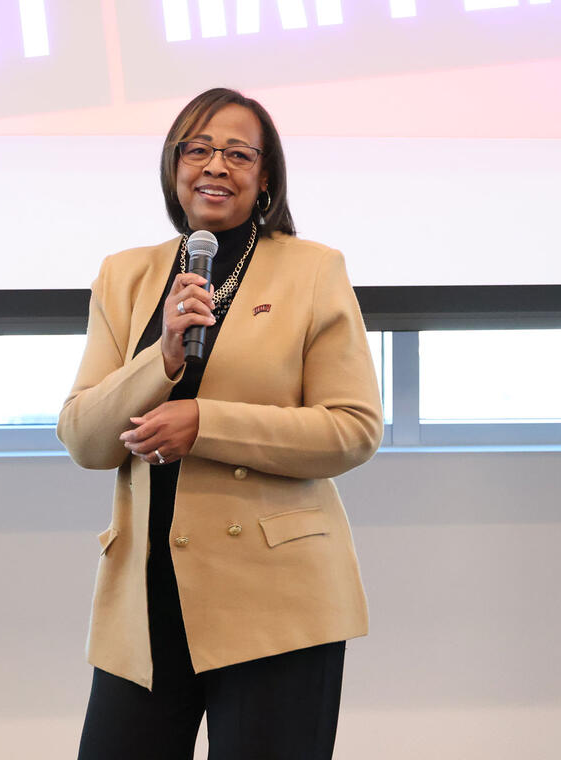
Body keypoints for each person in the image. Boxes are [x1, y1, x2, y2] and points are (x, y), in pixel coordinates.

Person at [57, 87, 383, 760]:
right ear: (174, 167)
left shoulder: (314, 270)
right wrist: (163, 357)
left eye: (238, 153)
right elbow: (86, 438)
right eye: (198, 149)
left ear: (265, 177)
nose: (215, 165)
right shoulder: (126, 276)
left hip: (276, 601)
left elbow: (352, 428)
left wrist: (204, 423)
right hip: (146, 603)